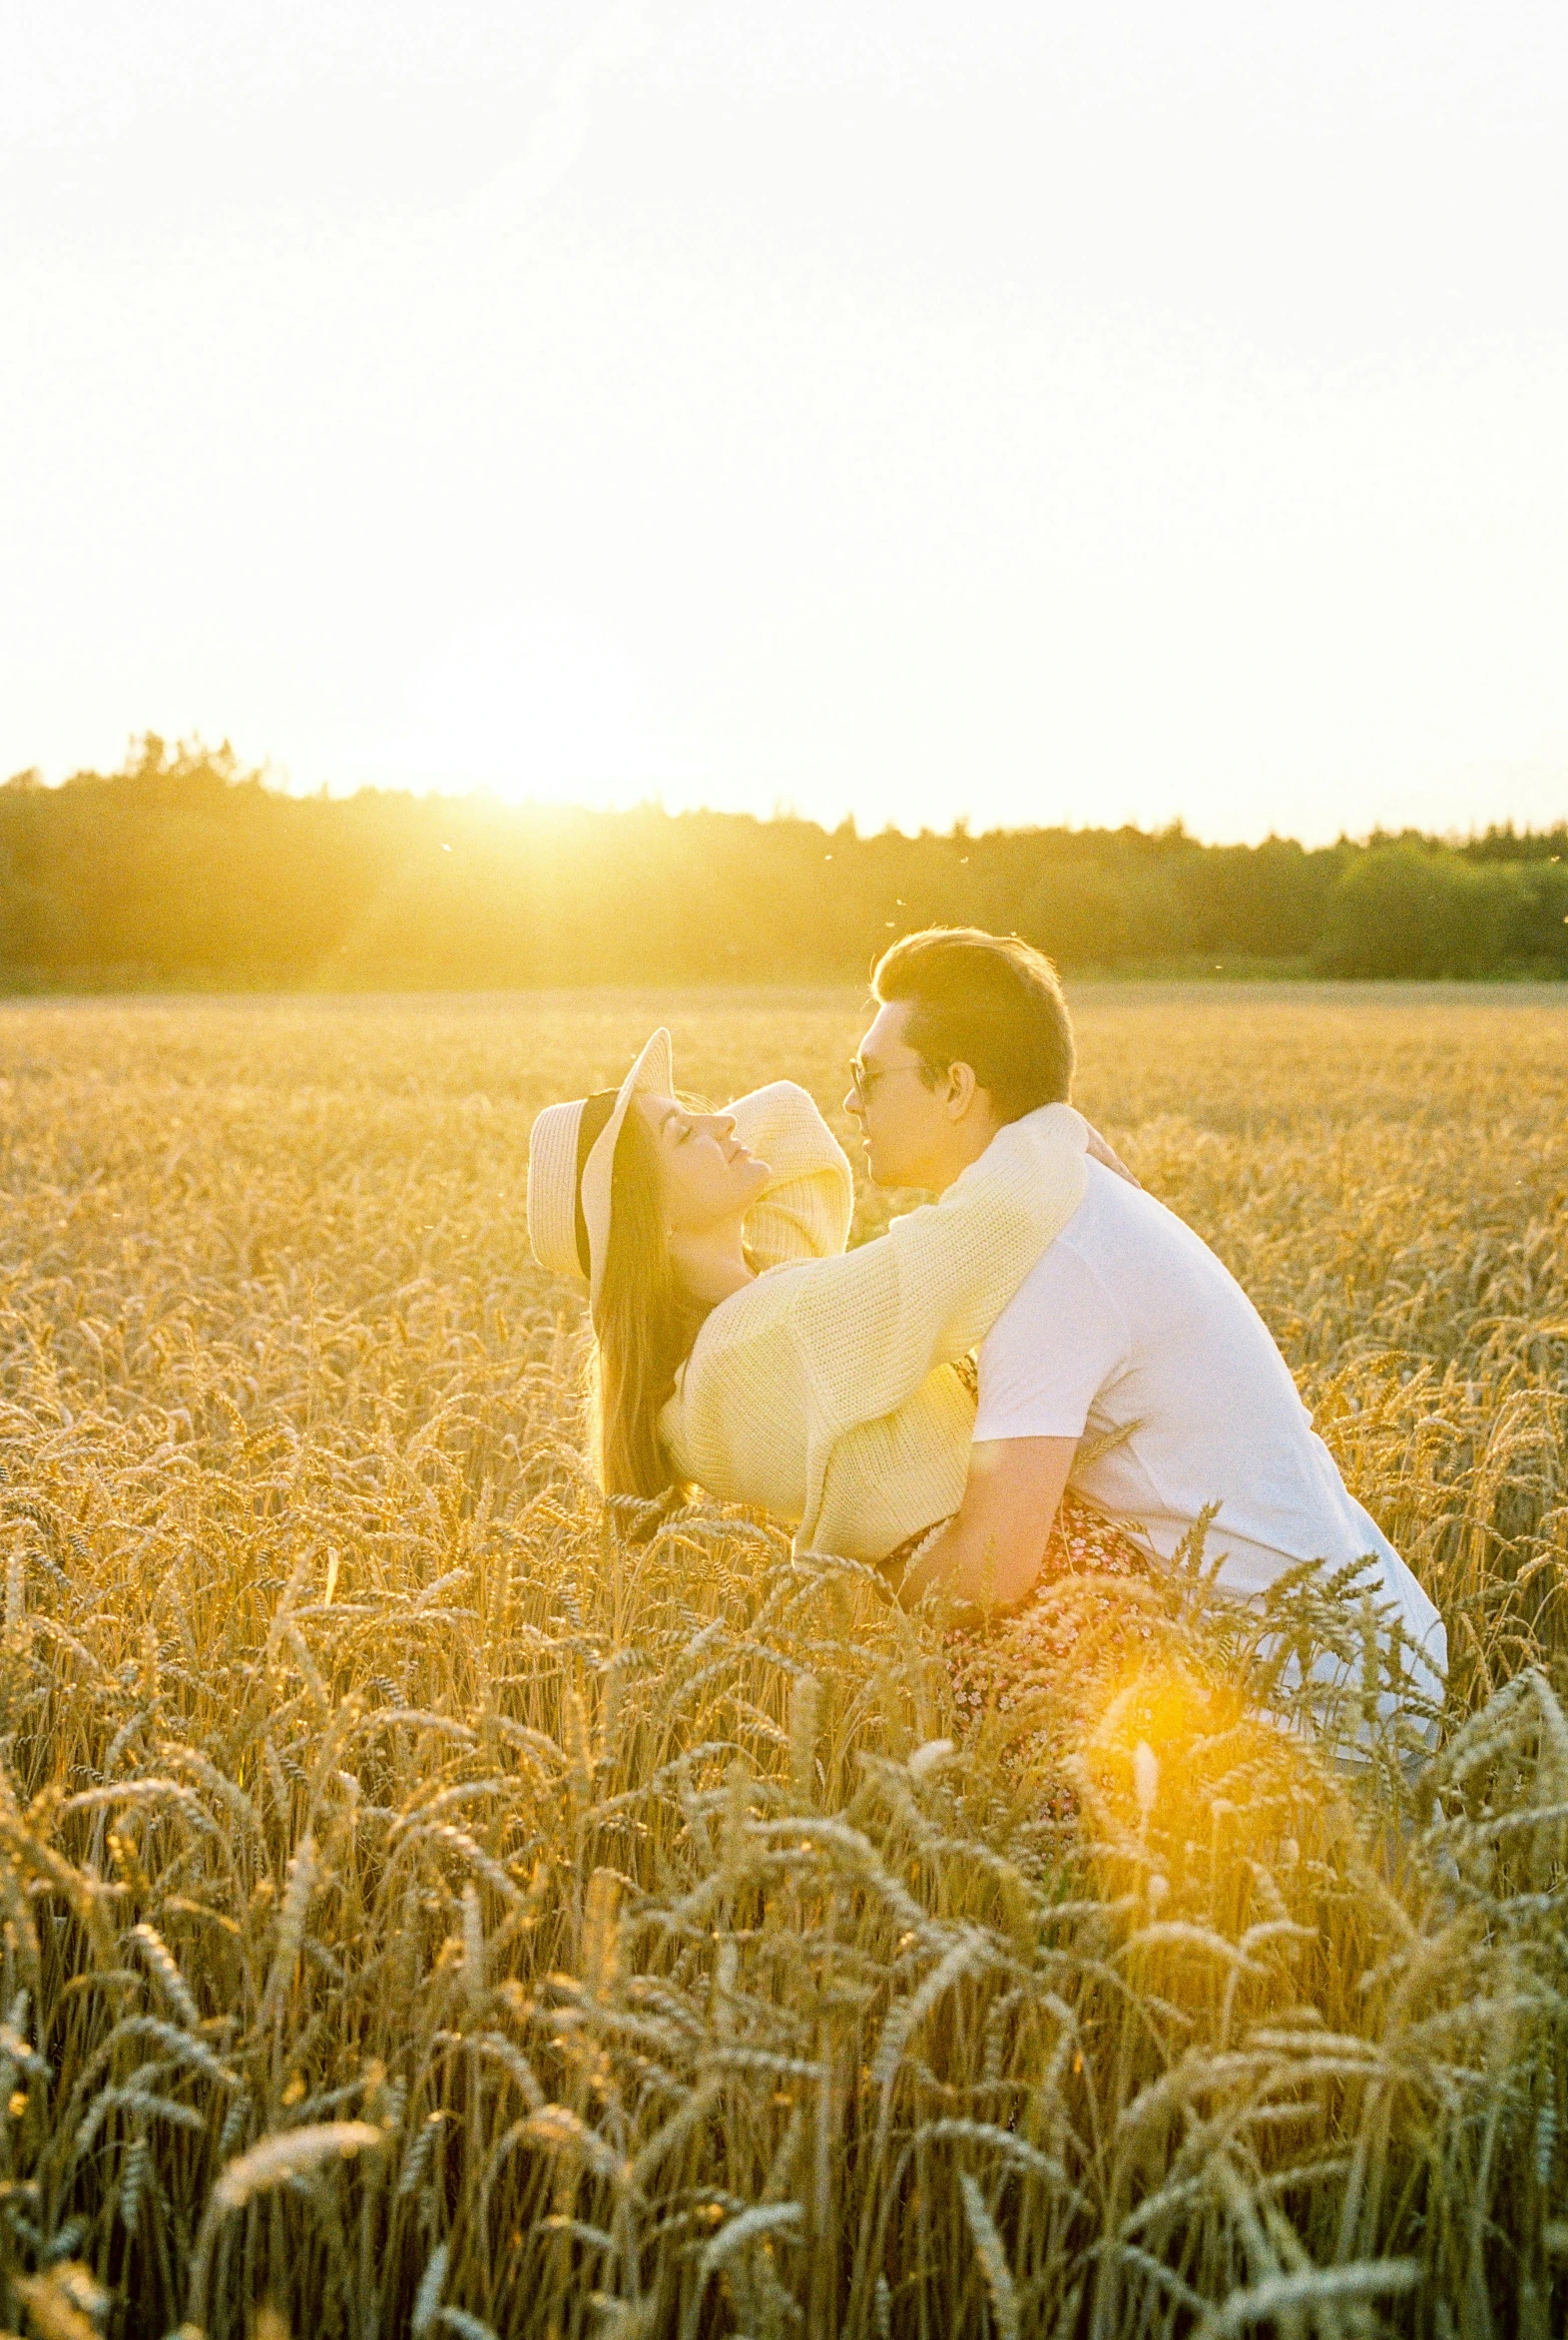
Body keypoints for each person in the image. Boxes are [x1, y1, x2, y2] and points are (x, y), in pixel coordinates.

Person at [855, 929, 1447, 1732]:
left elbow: (992, 1570)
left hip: (1317, 1689)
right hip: (1366, 1646)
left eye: (867, 1076)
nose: (853, 1102)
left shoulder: (1048, 1263)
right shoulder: (1073, 1199)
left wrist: (848, 1574)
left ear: (956, 1087)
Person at [525, 1007, 1133, 1569]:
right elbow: (969, 1239)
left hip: (1026, 1563)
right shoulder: (750, 1349)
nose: (726, 1121)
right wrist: (1050, 1128)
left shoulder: (755, 1307)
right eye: (686, 1134)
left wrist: (679, 1148)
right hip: (1023, 1598)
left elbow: (789, 1123)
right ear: (655, 1223)